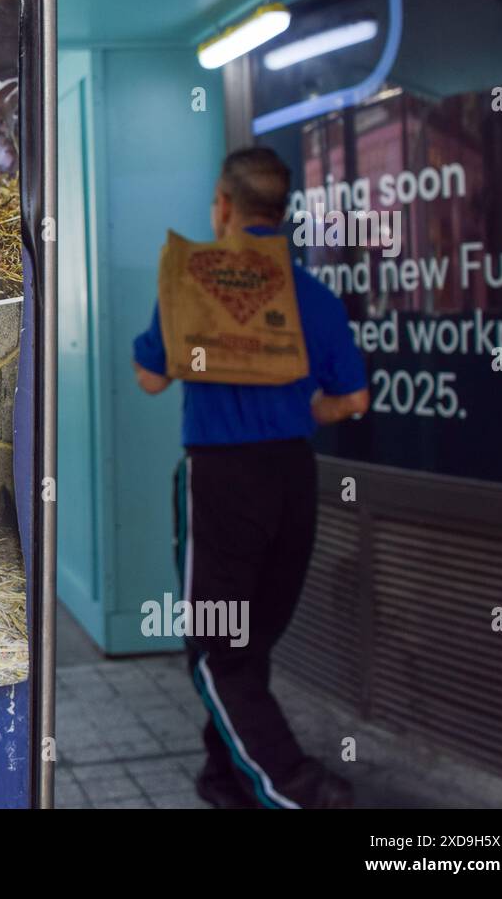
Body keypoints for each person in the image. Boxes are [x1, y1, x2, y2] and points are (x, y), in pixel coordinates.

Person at [132, 147, 369, 809]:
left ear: (224, 206)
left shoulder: (191, 285)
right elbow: (353, 401)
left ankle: (293, 787)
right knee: (251, 637)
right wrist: (294, 404)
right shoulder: (315, 297)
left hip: (223, 479)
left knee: (218, 649)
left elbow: (151, 378)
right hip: (294, 475)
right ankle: (225, 779)